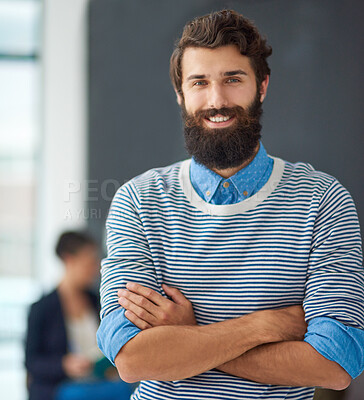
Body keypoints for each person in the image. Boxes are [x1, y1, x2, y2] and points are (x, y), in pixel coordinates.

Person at [96, 9, 364, 400]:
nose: (217, 100)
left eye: (233, 80)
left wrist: (186, 337)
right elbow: (134, 360)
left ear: (262, 86)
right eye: (199, 82)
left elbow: (336, 365)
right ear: (180, 93)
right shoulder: (138, 200)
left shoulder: (322, 200)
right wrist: (265, 326)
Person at [25, 231, 134, 400]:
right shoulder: (42, 308)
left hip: (98, 379)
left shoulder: (96, 301)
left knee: (130, 387)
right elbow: (31, 362)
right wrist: (64, 365)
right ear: (69, 260)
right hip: (61, 386)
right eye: (89, 262)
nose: (95, 269)